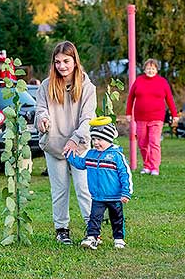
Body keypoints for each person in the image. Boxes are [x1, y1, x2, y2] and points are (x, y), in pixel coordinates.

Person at [35, 41, 97, 244]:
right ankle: (62, 229)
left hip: (79, 146)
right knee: (59, 190)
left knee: (84, 188)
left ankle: (92, 229)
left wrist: (75, 139)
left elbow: (88, 119)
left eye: (66, 61)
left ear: (75, 61)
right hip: (54, 145)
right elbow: (41, 109)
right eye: (57, 62)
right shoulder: (46, 85)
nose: (62, 66)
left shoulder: (87, 87)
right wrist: (43, 119)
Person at [64, 116, 133, 250]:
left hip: (114, 196)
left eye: (99, 139)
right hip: (97, 196)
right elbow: (81, 163)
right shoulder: (91, 154)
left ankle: (119, 239)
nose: (95, 142)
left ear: (108, 139)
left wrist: (126, 192)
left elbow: (125, 174)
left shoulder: (116, 156)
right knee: (94, 218)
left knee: (117, 218)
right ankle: (92, 237)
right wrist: (69, 155)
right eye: (94, 139)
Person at [126, 58, 179, 175]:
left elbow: (169, 99)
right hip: (140, 118)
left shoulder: (162, 82)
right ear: (144, 69)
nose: (151, 70)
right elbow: (131, 98)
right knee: (142, 143)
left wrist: (174, 114)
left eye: (153, 68)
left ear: (157, 70)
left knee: (154, 142)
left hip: (157, 117)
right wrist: (128, 113)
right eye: (148, 68)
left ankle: (155, 167)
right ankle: (147, 165)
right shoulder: (139, 81)